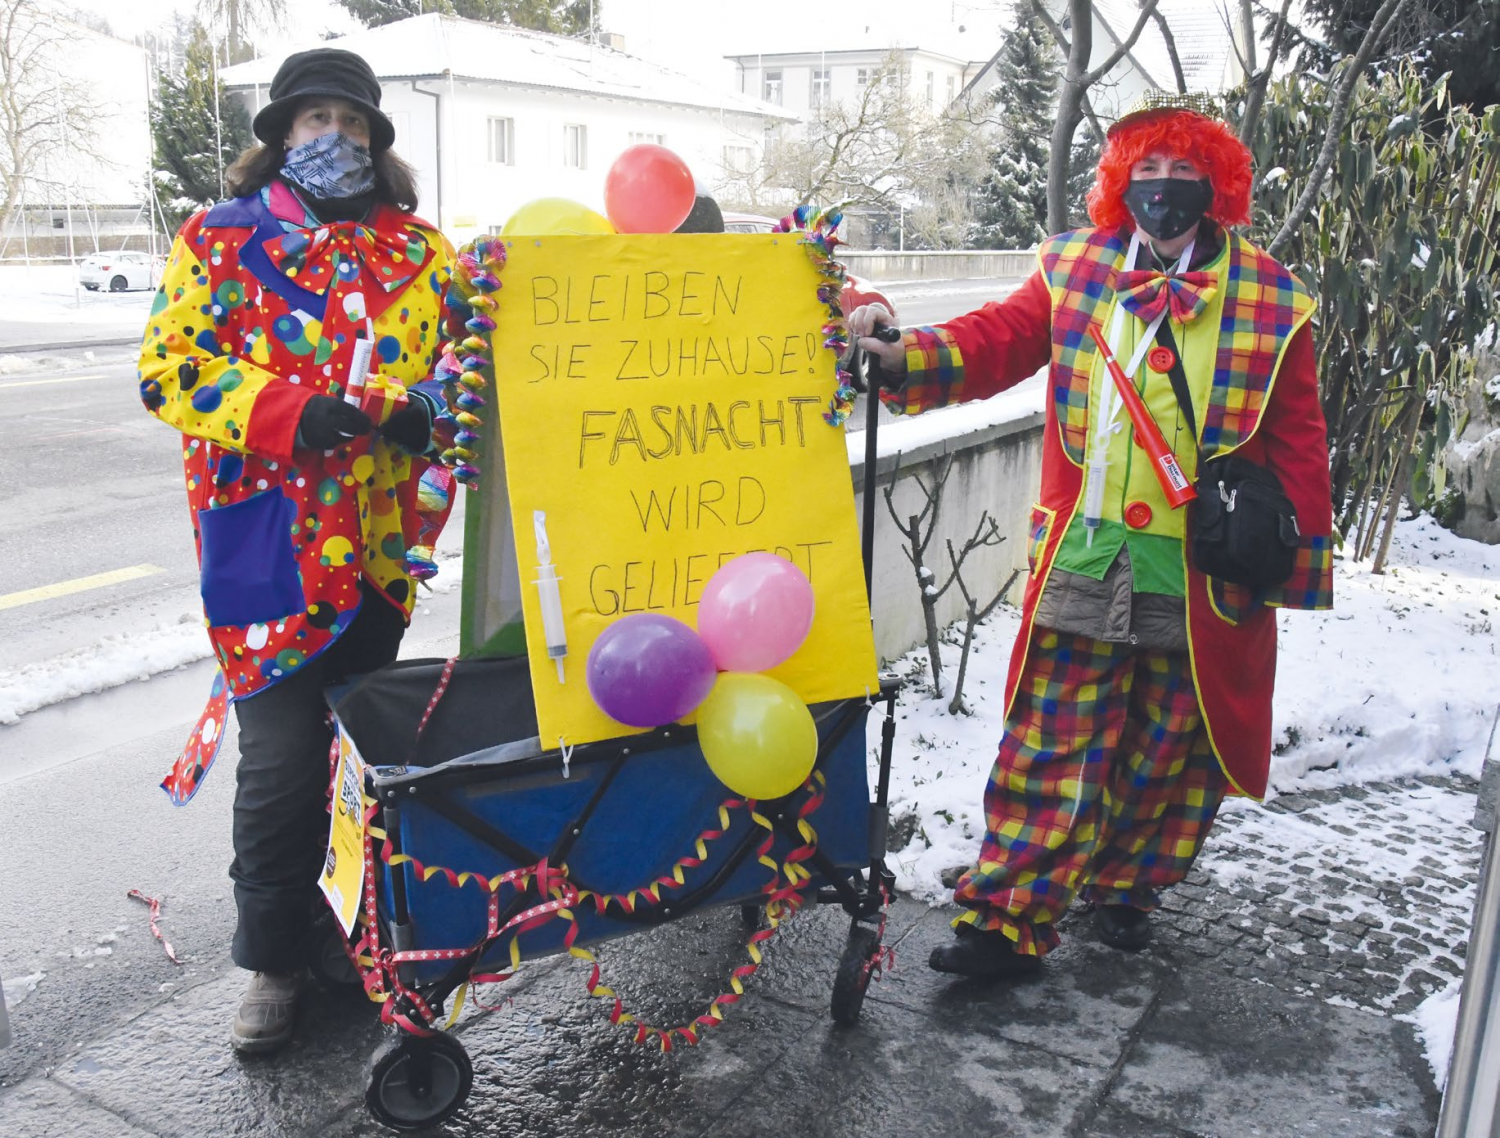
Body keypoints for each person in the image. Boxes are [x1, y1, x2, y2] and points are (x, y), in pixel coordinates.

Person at [848, 93, 1333, 980]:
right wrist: (906, 357)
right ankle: (1006, 924)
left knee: (1169, 751)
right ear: (1120, 186)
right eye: (1144, 172)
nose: (1163, 188)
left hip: (1200, 575)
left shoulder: (1270, 297)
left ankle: (1125, 886)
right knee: (1051, 742)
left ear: (1215, 184)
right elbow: (996, 340)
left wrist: (1291, 565)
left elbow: (1297, 433)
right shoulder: (1074, 269)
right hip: (1086, 553)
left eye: (1182, 171)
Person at [138, 47, 455, 1051]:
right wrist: (286, 410)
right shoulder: (221, 241)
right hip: (267, 553)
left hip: (376, 560)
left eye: (352, 124)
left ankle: (344, 939)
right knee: (280, 761)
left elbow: (466, 368)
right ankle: (272, 963)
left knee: (359, 758)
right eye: (314, 121)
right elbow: (168, 369)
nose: (333, 138)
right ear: (280, 136)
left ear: (376, 142)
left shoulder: (420, 255)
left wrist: (429, 413)